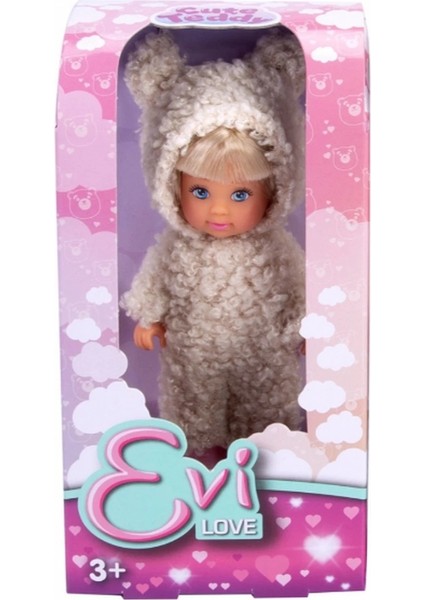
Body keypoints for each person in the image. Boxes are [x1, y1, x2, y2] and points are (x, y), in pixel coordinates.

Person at [121, 30, 306, 454]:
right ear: (171, 186)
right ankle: (195, 466)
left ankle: (267, 465)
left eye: (240, 195)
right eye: (201, 192)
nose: (219, 211)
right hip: (193, 351)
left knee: (266, 412)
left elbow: (297, 287)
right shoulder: (177, 249)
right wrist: (149, 317)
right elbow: (156, 279)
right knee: (191, 408)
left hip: (262, 350)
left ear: (275, 189)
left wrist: (305, 326)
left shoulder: (275, 250)